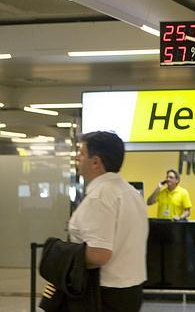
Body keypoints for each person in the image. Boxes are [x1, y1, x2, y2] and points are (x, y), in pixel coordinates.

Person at [69, 131, 148, 311]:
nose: (77, 158)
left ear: (96, 162)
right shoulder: (131, 193)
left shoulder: (100, 197)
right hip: (130, 289)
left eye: (81, 153)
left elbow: (99, 254)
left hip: (103, 293)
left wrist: (63, 256)